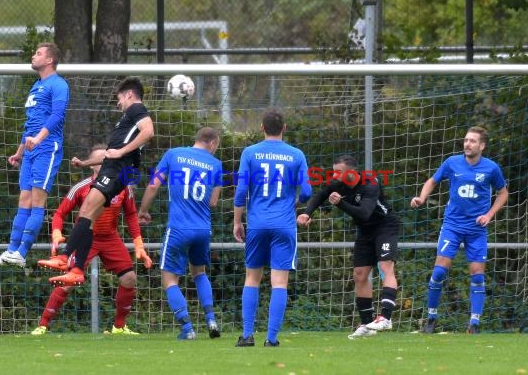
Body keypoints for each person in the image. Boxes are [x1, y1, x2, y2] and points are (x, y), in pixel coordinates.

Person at [32, 144, 152, 335]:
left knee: (129, 278)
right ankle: (43, 325)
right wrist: (56, 233)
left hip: (110, 238)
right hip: (86, 238)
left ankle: (119, 327)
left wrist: (138, 243)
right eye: (101, 160)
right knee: (68, 281)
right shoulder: (81, 188)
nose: (105, 163)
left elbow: (130, 215)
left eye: (108, 159)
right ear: (92, 166)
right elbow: (59, 213)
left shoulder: (122, 186)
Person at [47, 77, 154, 286]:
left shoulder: (136, 109)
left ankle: (64, 257)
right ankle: (76, 269)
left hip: (118, 169)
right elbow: (108, 154)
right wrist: (86, 163)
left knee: (86, 208)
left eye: (119, 98)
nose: (118, 103)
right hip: (116, 168)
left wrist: (121, 152)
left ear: (129, 94)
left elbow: (149, 131)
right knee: (91, 217)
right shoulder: (127, 119)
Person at [411, 126, 508, 334]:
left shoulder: (491, 168)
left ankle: (474, 323)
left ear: (482, 146)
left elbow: (503, 193)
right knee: (438, 271)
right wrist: (422, 197)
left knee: (478, 276)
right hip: (452, 226)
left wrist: (489, 215)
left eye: (472, 141)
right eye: (466, 140)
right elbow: (432, 180)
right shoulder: (452, 162)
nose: (467, 144)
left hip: (476, 230)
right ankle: (431, 318)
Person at [297, 155, 400, 339]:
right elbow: (320, 196)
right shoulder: (338, 183)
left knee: (385, 266)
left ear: (352, 172)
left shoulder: (371, 183)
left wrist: (340, 203)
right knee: (359, 275)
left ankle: (386, 317)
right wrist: (306, 213)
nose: (335, 175)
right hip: (365, 231)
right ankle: (367, 324)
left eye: (339, 172)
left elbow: (364, 214)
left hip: (385, 227)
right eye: (334, 171)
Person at [233, 108, 312, 347]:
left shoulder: (250, 152)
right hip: (284, 224)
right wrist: (294, 203)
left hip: (257, 224)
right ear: (284, 128)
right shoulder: (296, 154)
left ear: (261, 128)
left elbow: (240, 192)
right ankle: (271, 339)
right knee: (279, 282)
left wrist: (237, 221)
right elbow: (307, 192)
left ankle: (247, 336)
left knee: (252, 279)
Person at [138, 127, 223, 340]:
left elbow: (153, 185)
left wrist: (143, 210)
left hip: (178, 228)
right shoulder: (216, 164)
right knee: (199, 273)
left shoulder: (173, 154)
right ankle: (211, 319)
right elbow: (213, 202)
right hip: (202, 229)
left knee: (170, 279)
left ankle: (187, 329)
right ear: (212, 143)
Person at [0, 42, 70, 267]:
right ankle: (11, 251)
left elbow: (57, 115)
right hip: (31, 151)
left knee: (36, 200)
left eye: (38, 53)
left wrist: (39, 139)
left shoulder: (58, 84)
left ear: (49, 60)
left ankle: (22, 253)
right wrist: (19, 152)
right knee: (23, 199)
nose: (34, 56)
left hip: (47, 148)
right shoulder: (35, 87)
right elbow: (30, 124)